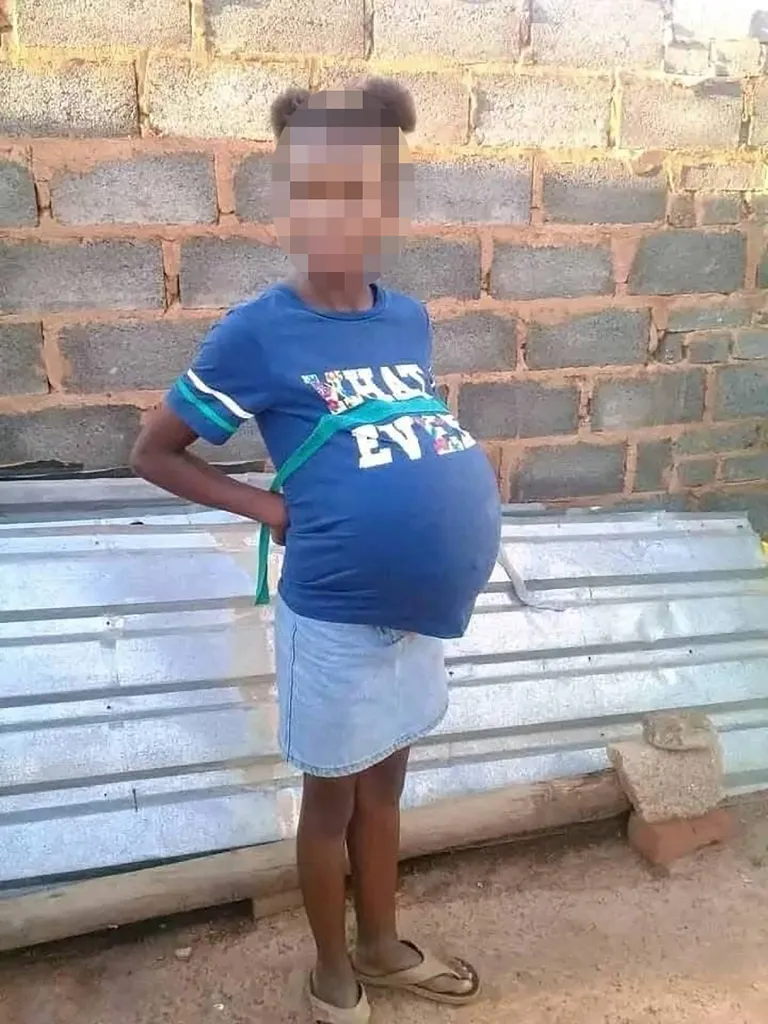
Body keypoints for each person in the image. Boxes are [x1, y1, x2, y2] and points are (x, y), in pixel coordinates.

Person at [131, 77, 501, 1024]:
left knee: (388, 790)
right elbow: (154, 451)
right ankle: (332, 966)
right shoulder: (261, 329)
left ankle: (381, 945)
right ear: (292, 198)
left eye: (368, 189)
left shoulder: (406, 316)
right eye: (322, 188)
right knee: (330, 805)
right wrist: (265, 506)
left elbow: (399, 434)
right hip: (334, 618)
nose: (346, 211)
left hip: (414, 617)